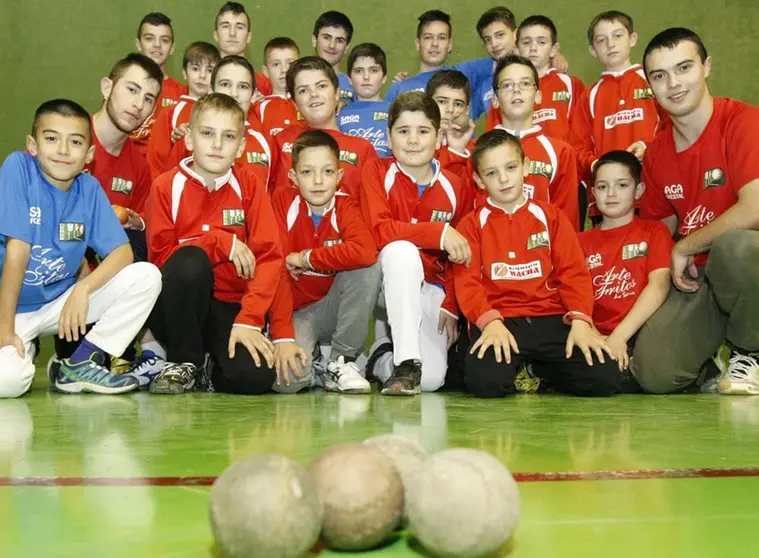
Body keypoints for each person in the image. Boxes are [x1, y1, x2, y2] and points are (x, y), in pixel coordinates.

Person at [0, 99, 162, 398]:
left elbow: (123, 253)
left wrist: (82, 288)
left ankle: (79, 363)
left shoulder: (89, 189)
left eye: (74, 142)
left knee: (146, 276)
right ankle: (25, 349)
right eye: (51, 139)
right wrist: (5, 330)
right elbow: (18, 250)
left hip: (58, 303)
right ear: (32, 145)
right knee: (8, 383)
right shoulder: (18, 168)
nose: (62, 150)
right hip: (9, 308)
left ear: (88, 154)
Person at [128, 93, 282, 395]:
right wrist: (219, 242)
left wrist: (249, 320)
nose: (216, 145)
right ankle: (183, 361)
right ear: (189, 138)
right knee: (191, 260)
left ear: (239, 147)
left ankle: (208, 371)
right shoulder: (165, 186)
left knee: (256, 378)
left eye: (228, 137)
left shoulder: (250, 186)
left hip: (228, 306)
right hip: (175, 306)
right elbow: (161, 263)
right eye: (207, 133)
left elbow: (269, 258)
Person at [635, 28, 759, 394]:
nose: (673, 83)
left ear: (706, 67)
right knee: (654, 373)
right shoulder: (657, 153)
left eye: (684, 67)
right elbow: (659, 229)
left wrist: (685, 246)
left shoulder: (743, 122)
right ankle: (715, 362)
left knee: (735, 247)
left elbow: (753, 209)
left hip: (747, 265)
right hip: (699, 277)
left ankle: (750, 352)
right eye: (659, 76)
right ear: (650, 87)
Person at [452, 129, 620, 398]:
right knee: (485, 384)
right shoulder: (471, 225)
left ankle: (539, 369)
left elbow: (574, 273)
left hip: (550, 317)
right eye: (492, 173)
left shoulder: (551, 217)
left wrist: (580, 321)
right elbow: (467, 282)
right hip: (502, 320)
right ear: (478, 180)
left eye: (510, 167)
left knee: (606, 378)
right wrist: (489, 321)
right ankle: (519, 365)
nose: (504, 179)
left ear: (525, 167)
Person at [361, 92, 471, 396]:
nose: (412, 140)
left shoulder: (456, 186)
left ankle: (381, 357)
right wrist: (439, 233)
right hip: (382, 283)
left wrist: (451, 304)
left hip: (431, 285)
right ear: (389, 136)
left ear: (438, 138)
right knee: (401, 250)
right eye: (403, 131)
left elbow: (462, 254)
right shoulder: (376, 171)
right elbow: (381, 231)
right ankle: (407, 360)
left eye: (423, 131)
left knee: (433, 382)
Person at [269, 130, 379, 394]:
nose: (318, 181)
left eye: (327, 172)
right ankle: (317, 366)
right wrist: (283, 335)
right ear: (293, 177)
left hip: (332, 308)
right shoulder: (282, 203)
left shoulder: (346, 207)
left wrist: (306, 259)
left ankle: (342, 361)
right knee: (288, 382)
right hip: (296, 311)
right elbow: (276, 269)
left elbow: (365, 252)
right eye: (307, 173)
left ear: (339, 177)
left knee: (367, 268)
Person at [578, 151, 672, 386]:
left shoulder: (654, 232)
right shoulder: (578, 242)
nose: (611, 194)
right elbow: (572, 297)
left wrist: (620, 337)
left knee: (655, 374)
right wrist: (590, 333)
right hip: (595, 335)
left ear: (638, 190)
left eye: (621, 185)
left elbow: (659, 285)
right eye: (602, 186)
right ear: (593, 194)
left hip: (639, 332)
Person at [571, 11, 664, 190]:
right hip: (610, 196)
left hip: (655, 188)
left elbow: (675, 127)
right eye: (601, 40)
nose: (610, 44)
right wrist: (598, 165)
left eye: (617, 36)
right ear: (593, 50)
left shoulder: (654, 80)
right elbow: (577, 148)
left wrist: (648, 147)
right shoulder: (589, 96)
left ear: (632, 39)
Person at [89, 53, 163, 262]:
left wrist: (136, 221)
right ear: (107, 88)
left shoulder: (139, 168)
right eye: (132, 90)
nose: (139, 104)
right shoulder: (66, 140)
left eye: (148, 99)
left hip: (105, 279)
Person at [268, 57, 377, 199]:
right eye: (303, 90)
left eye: (321, 86)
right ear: (294, 103)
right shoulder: (279, 141)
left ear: (337, 93)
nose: (314, 94)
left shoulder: (363, 149)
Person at [490, 55, 579, 228]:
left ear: (538, 96)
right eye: (507, 85)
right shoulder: (478, 149)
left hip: (541, 251)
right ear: (495, 100)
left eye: (524, 83)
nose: (516, 90)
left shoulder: (560, 152)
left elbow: (566, 221)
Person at [166, 56, 272, 187]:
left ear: (254, 94)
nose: (234, 93)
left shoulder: (263, 143)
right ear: (210, 90)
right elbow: (169, 188)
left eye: (243, 86)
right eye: (225, 84)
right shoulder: (191, 136)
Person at [384, 10, 493, 114]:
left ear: (450, 45)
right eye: (428, 37)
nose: (435, 43)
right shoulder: (399, 88)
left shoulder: (466, 72)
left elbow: (504, 59)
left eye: (441, 37)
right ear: (418, 44)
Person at [147, 42, 220, 179]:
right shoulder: (170, 113)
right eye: (195, 69)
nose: (202, 76)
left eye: (210, 70)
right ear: (184, 73)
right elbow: (155, 163)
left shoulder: (222, 114)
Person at [130, 12, 188, 155]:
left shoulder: (183, 93)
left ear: (172, 48)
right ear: (138, 44)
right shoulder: (123, 87)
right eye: (149, 38)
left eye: (164, 40)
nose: (157, 45)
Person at [338, 43, 391, 157]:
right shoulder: (339, 114)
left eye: (373, 70)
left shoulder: (396, 112)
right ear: (350, 80)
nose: (366, 77)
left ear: (384, 77)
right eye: (358, 71)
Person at [213, 1, 272, 97]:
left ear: (248, 37)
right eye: (225, 26)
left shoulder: (263, 84)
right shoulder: (203, 80)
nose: (232, 33)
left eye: (239, 27)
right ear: (216, 35)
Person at [253, 37, 301, 137]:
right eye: (276, 64)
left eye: (290, 63)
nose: (284, 69)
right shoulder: (258, 108)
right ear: (266, 71)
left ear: (300, 67)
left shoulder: (308, 103)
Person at [312, 10, 358, 105]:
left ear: (346, 47)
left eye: (339, 40)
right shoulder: (297, 81)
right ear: (314, 40)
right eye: (327, 37)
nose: (332, 45)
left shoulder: (356, 85)